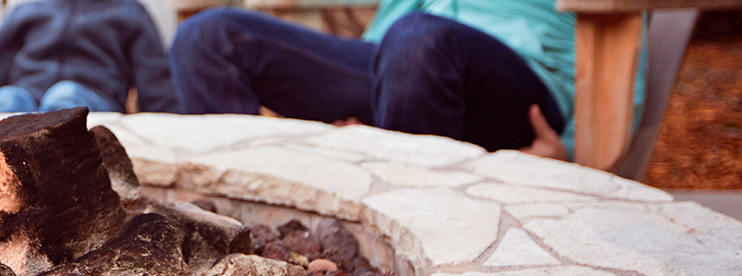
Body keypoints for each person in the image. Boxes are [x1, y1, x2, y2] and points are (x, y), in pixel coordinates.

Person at [169, 0, 645, 160]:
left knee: (420, 43)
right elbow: (390, 30)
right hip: (400, 62)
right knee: (206, 37)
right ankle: (249, 233)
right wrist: (379, 83)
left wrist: (576, 153)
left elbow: (626, 52)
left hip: (519, 89)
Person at [0, 0, 182, 114]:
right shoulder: (27, 11)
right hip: (27, 100)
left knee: (64, 96)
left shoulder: (128, 12)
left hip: (94, 100)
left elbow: (157, 88)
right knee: (7, 99)